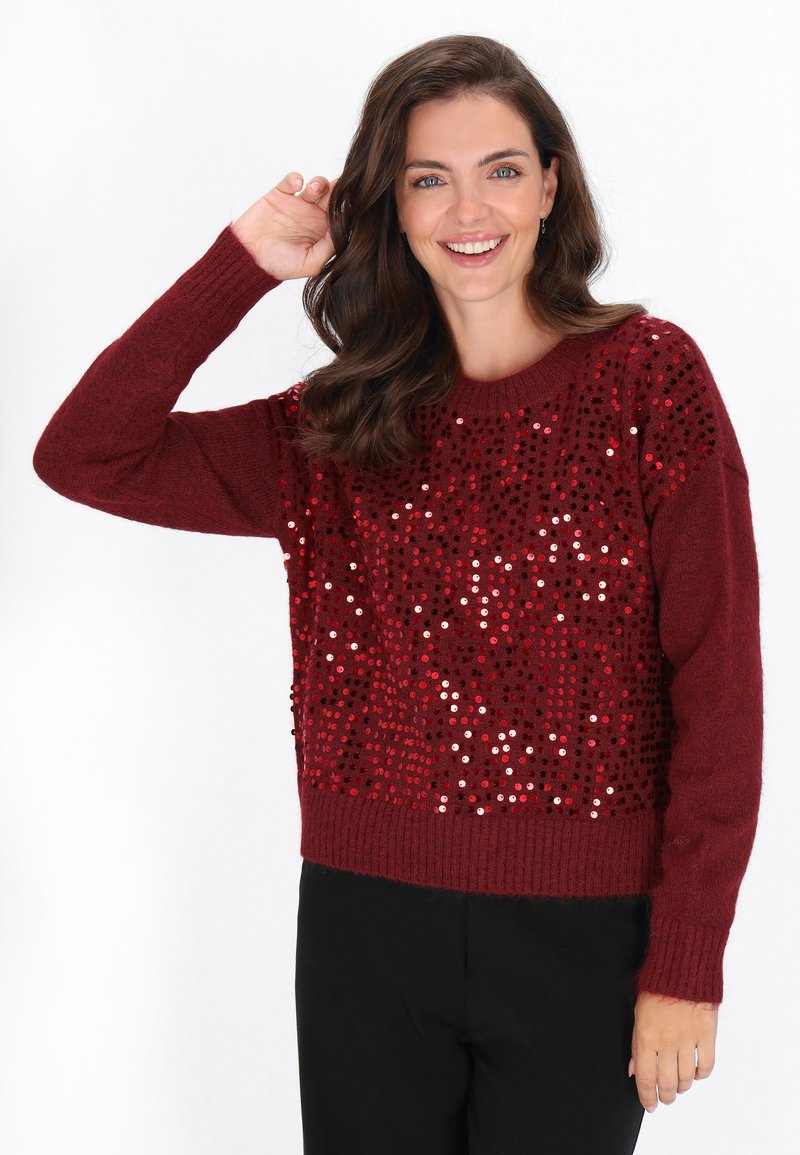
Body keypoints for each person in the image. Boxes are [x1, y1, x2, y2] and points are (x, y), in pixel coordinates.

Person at [32, 33, 763, 1155]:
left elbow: (718, 690)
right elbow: (84, 453)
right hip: (363, 926)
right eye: (429, 178)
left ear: (550, 185)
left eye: (500, 169)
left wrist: (687, 962)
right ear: (393, 204)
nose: (468, 209)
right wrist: (242, 261)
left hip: (586, 934)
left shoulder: (649, 384)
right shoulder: (339, 425)